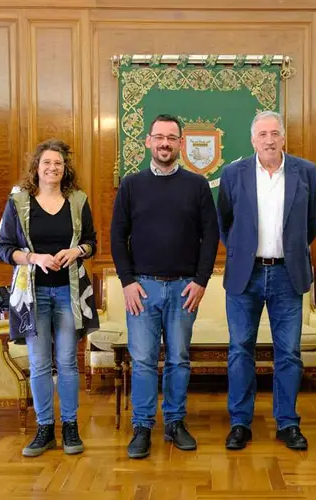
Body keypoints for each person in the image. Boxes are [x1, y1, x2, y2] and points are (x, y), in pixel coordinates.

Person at [110, 114, 220, 459]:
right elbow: (117, 236)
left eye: (171, 138)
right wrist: (127, 282)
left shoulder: (197, 185)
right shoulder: (131, 185)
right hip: (141, 289)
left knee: (178, 359)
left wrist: (201, 281)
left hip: (184, 288)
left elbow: (211, 236)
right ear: (148, 142)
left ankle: (174, 422)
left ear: (181, 144)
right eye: (159, 137)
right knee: (143, 360)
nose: (165, 144)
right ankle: (142, 427)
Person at [216, 110, 316, 451]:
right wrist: (243, 251)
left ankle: (287, 423)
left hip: (288, 275)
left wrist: (289, 250)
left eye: (275, 133)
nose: (269, 140)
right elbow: (224, 222)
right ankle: (240, 423)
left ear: (284, 137)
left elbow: (313, 221)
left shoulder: (306, 172)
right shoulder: (233, 173)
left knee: (288, 352)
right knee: (240, 350)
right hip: (245, 275)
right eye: (262, 134)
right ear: (253, 140)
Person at [0, 139, 98, 458]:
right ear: (36, 167)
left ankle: (70, 426)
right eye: (47, 162)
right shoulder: (18, 201)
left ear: (65, 169)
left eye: (58, 163)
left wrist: (77, 251)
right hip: (32, 295)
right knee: (39, 363)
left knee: (67, 362)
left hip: (69, 292)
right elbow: (2, 248)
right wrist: (34, 258)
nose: (52, 167)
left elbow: (91, 242)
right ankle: (44, 429)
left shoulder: (78, 200)